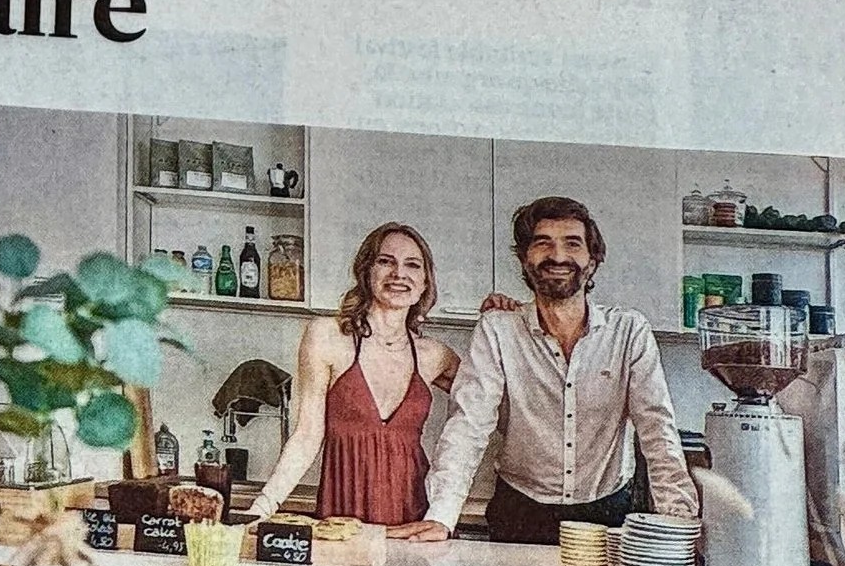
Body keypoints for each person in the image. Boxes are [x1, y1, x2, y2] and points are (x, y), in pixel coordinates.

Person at [411, 195, 697, 545]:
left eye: (572, 244)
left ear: (592, 261)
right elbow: (468, 425)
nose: (558, 256)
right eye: (543, 243)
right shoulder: (498, 330)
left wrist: (678, 517)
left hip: (607, 512)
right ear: (524, 259)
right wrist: (441, 515)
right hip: (519, 512)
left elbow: (657, 429)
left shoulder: (629, 331)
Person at [249, 224, 459, 529]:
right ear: (366, 272)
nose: (399, 273)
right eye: (386, 261)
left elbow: (491, 406)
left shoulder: (434, 356)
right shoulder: (327, 335)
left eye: (412, 265)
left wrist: (513, 314)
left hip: (413, 520)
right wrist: (261, 508)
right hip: (344, 516)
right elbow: (307, 435)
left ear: (425, 282)